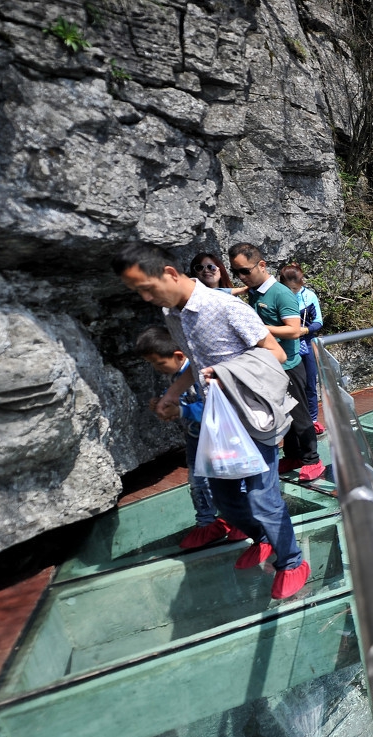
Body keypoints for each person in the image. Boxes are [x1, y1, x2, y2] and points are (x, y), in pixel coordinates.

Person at [114, 242, 310, 600]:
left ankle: (293, 561)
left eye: (147, 287)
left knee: (262, 496)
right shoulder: (171, 314)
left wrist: (225, 373)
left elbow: (276, 353)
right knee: (225, 499)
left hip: (251, 416)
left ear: (170, 274)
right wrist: (173, 394)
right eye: (137, 292)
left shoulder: (224, 306)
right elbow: (192, 364)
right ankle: (263, 539)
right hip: (217, 422)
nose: (145, 298)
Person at [134, 326, 249, 550]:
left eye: (158, 363)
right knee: (198, 482)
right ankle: (208, 522)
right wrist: (165, 403)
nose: (157, 369)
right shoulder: (176, 375)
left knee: (231, 479)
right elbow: (186, 401)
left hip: (217, 439)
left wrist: (181, 411)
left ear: (179, 355)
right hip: (196, 439)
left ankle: (242, 520)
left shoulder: (199, 374)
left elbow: (211, 406)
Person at [227, 243, 324, 482]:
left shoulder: (280, 294)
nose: (241, 277)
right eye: (236, 272)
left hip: (288, 365)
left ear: (262, 265)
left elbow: (293, 331)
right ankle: (293, 455)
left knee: (300, 416)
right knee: (283, 414)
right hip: (268, 365)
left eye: (245, 271)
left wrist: (256, 328)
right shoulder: (255, 291)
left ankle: (313, 460)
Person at [279, 262, 325, 434]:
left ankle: (312, 419)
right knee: (288, 386)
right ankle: (291, 422)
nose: (292, 292)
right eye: (289, 289)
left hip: (305, 342)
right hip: (284, 345)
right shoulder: (278, 295)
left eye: (295, 289)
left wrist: (304, 330)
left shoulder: (309, 296)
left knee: (310, 383)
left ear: (302, 283)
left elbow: (318, 321)